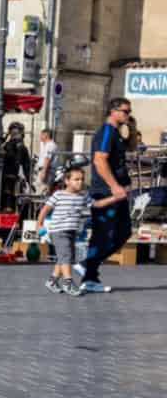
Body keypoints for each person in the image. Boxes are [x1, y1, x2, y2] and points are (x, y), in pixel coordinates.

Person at [80, 96, 133, 292]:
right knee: (103, 235)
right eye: (126, 111)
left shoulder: (117, 133)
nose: (128, 115)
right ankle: (89, 275)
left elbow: (132, 147)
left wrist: (132, 127)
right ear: (113, 111)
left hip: (116, 192)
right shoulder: (106, 132)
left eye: (129, 112)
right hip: (105, 191)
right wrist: (114, 186)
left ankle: (88, 267)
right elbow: (99, 160)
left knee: (124, 232)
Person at [37, 163, 102, 295]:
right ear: (67, 181)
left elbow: (96, 204)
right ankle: (68, 283)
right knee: (66, 257)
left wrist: (114, 198)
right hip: (58, 231)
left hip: (72, 231)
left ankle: (52, 281)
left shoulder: (83, 196)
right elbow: (45, 210)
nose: (80, 182)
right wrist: (39, 224)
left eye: (82, 179)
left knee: (64, 258)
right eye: (76, 179)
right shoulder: (58, 195)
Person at [33, 128, 58, 193]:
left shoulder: (50, 145)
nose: (40, 136)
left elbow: (47, 159)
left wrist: (43, 172)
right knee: (39, 190)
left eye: (41, 135)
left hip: (47, 171)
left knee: (43, 191)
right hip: (42, 170)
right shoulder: (44, 144)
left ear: (46, 135)